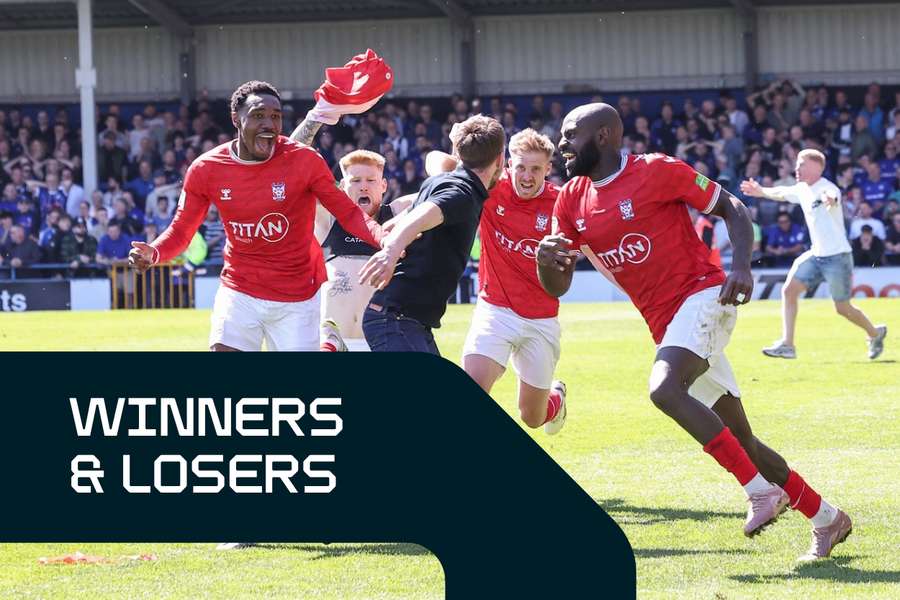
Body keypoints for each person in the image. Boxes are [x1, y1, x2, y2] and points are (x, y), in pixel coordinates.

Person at [539, 102, 851, 562]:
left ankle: (758, 491)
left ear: (603, 136)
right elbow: (557, 285)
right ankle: (827, 517)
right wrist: (547, 262)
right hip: (667, 324)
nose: (561, 143)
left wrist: (741, 266)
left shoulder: (657, 171)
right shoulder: (570, 200)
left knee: (664, 389)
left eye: (570, 133)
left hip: (706, 297)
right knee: (742, 438)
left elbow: (734, 208)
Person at [128, 77, 388, 352]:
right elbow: (182, 230)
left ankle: (330, 346)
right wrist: (153, 252)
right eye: (258, 116)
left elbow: (347, 212)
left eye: (275, 117)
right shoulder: (207, 169)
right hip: (240, 290)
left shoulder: (304, 160)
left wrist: (384, 239)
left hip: (298, 295)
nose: (269, 124)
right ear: (236, 119)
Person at [424, 129, 568, 434]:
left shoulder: (561, 204)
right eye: (520, 167)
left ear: (548, 169)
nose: (526, 176)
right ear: (506, 165)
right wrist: (442, 182)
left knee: (531, 417)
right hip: (495, 311)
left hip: (541, 319)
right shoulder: (489, 188)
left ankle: (555, 399)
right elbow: (435, 158)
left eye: (535, 169)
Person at [358, 115, 506, 354]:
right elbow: (428, 212)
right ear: (501, 159)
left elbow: (434, 158)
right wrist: (392, 250)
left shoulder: (446, 178)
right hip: (395, 319)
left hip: (408, 322)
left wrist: (456, 143)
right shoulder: (463, 193)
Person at [740, 149, 887, 360]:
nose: (796, 168)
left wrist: (830, 200)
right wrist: (761, 190)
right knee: (789, 291)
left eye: (802, 164)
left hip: (838, 257)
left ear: (817, 167)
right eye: (797, 164)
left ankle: (875, 333)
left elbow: (833, 196)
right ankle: (787, 345)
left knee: (842, 308)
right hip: (816, 255)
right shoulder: (802, 189)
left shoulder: (828, 188)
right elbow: (782, 192)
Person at [311, 150, 414, 351]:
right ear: (342, 186)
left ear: (384, 185)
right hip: (334, 343)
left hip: (382, 343)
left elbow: (438, 193)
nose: (364, 186)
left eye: (371, 180)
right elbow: (293, 179)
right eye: (355, 181)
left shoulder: (396, 214)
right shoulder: (328, 220)